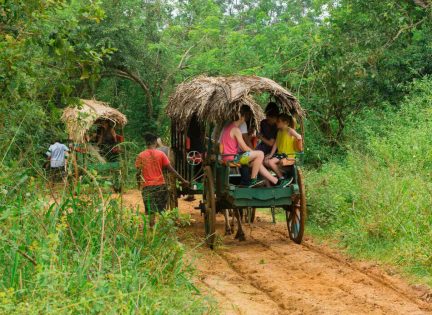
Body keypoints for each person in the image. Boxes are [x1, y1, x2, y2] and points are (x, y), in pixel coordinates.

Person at [220, 105, 285, 187]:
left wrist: (254, 155)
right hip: (233, 158)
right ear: (243, 117)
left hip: (230, 157)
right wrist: (254, 153)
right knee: (260, 154)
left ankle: (276, 181)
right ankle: (253, 180)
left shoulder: (229, 126)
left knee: (256, 162)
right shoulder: (236, 130)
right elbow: (244, 147)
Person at [136, 133, 189, 226]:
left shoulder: (140, 155)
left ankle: (151, 231)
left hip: (147, 187)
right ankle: (164, 228)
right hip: (160, 186)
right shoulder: (161, 154)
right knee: (162, 210)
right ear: (155, 143)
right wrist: (183, 180)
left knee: (151, 211)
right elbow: (171, 169)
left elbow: (138, 173)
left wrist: (138, 184)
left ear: (146, 143)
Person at [266, 113, 303, 182]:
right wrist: (271, 154)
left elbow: (299, 137)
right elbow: (276, 144)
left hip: (287, 155)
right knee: (265, 161)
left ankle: (282, 178)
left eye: (278, 121)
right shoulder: (279, 132)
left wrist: (299, 146)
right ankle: (282, 173)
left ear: (285, 122)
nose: (276, 123)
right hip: (280, 154)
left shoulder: (289, 130)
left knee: (271, 162)